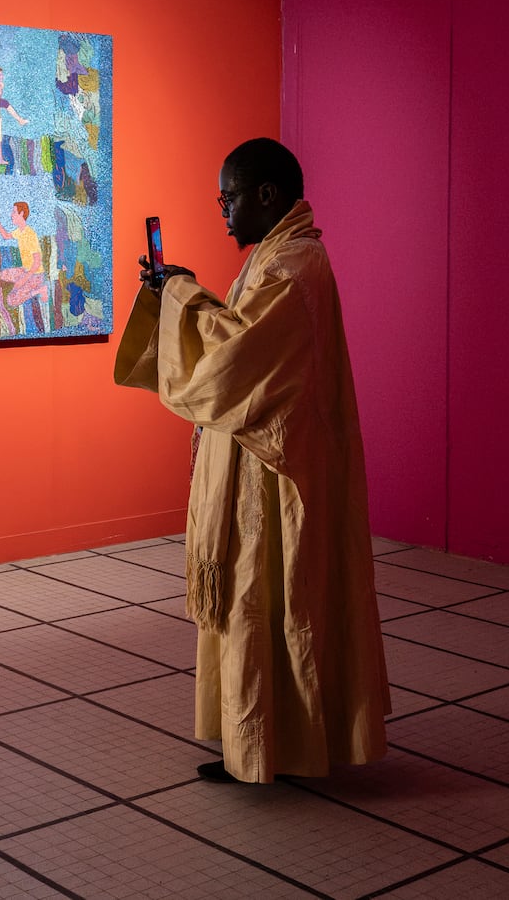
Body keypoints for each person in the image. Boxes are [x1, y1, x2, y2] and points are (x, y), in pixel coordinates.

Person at [113, 137, 389, 783]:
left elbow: (234, 361)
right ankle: (255, 741)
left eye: (229, 197)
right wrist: (180, 291)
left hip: (276, 479)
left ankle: (281, 745)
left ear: (267, 195)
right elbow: (236, 334)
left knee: (273, 604)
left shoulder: (294, 270)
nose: (223, 211)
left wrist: (181, 293)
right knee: (252, 606)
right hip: (258, 472)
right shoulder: (278, 256)